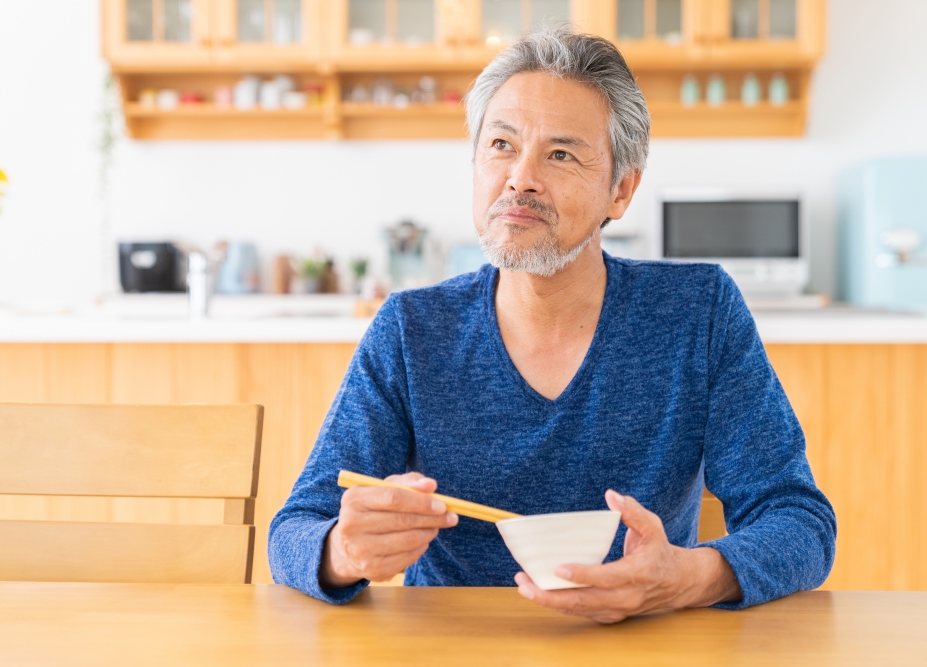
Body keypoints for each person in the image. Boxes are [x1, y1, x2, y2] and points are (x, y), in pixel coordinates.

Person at [268, 28, 836, 624]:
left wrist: (685, 579)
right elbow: (295, 532)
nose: (521, 178)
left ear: (621, 189)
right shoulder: (412, 329)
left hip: (644, 646)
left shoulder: (699, 312)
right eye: (502, 145)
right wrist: (341, 550)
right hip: (448, 646)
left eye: (560, 154)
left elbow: (800, 521)